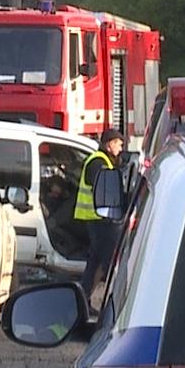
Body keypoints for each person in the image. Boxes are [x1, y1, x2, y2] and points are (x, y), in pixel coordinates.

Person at [75, 129, 125, 307]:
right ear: (109, 144)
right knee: (108, 261)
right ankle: (105, 301)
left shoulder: (104, 161)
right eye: (118, 144)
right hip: (99, 219)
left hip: (100, 218)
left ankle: (84, 298)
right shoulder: (98, 162)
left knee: (96, 261)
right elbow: (105, 192)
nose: (121, 148)